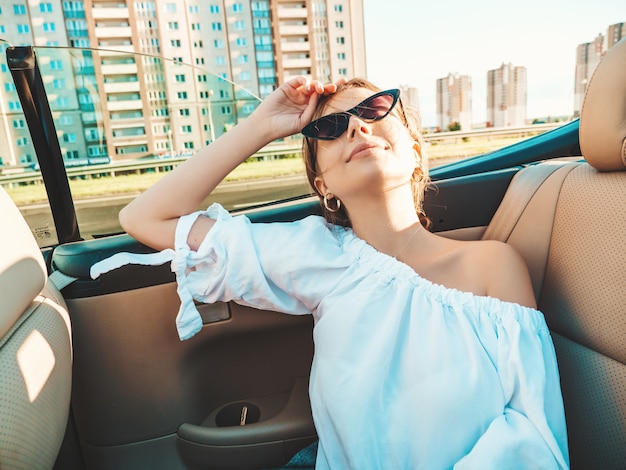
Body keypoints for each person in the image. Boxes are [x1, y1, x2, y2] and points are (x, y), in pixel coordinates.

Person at [91, 76, 569, 469]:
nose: (357, 128)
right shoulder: (314, 254)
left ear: (417, 152)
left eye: (376, 110)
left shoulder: (493, 265)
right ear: (324, 186)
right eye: (331, 127)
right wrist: (262, 125)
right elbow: (145, 218)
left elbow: (532, 430)